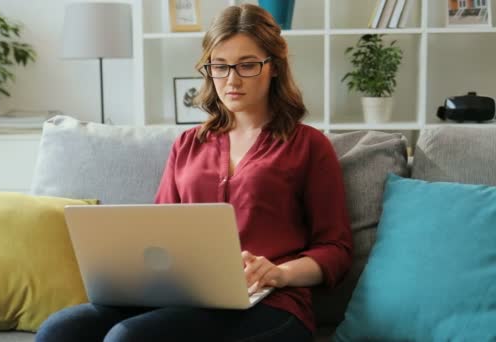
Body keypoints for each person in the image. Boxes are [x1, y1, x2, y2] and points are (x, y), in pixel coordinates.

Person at [36, 4, 352, 341]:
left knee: (128, 337)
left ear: (273, 66)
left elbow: (336, 249)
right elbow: (158, 232)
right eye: (220, 66)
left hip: (271, 305)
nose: (231, 80)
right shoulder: (187, 144)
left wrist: (279, 273)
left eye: (247, 65)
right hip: (186, 297)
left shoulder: (308, 146)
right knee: (60, 330)